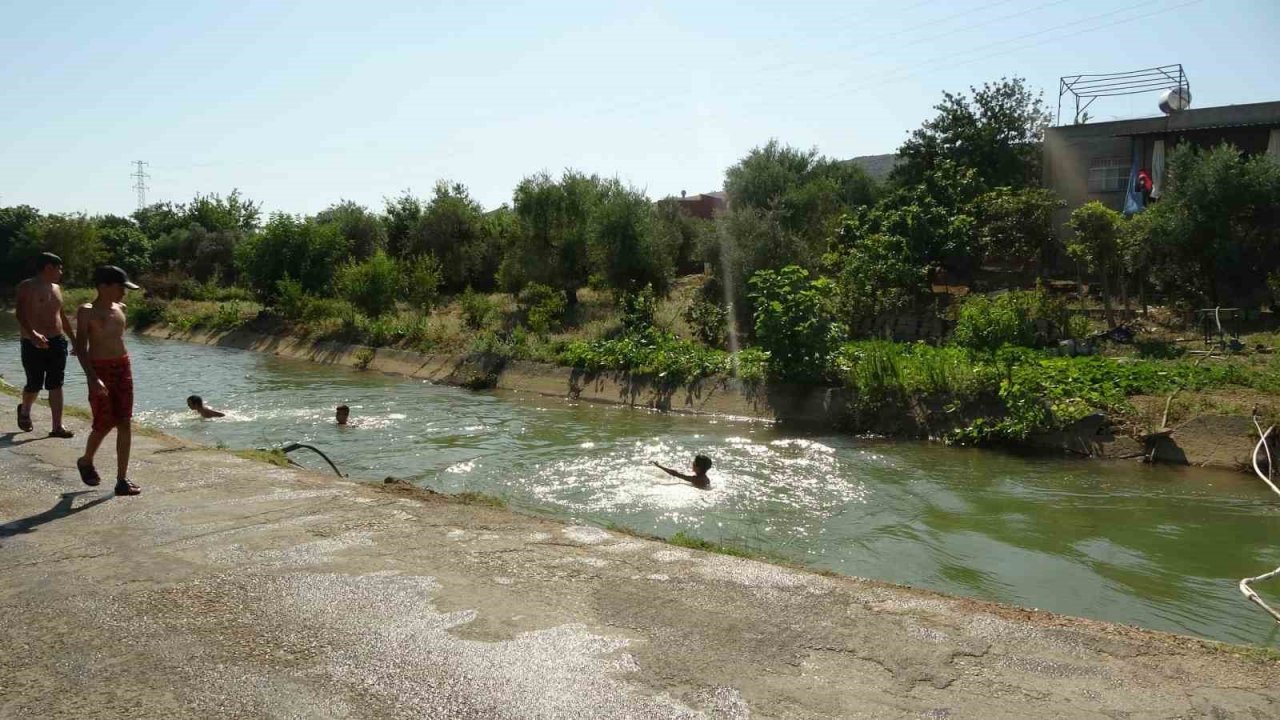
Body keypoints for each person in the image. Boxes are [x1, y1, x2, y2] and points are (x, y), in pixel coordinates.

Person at [74, 266, 141, 496]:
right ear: (103, 286)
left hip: (123, 367)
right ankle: (86, 460)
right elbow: (81, 349)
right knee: (104, 422)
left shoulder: (121, 308)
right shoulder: (86, 311)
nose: (124, 292)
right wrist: (93, 379)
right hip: (99, 369)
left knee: (124, 421)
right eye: (120, 287)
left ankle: (122, 479)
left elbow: (118, 339)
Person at [14, 252, 77, 437]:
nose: (61, 272)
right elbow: (20, 313)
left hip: (57, 341)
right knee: (34, 384)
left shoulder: (57, 288)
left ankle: (57, 426)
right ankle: (25, 410)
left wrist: (73, 339)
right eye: (59, 268)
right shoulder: (28, 286)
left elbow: (62, 315)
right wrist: (32, 334)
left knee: (56, 383)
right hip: (32, 342)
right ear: (49, 267)